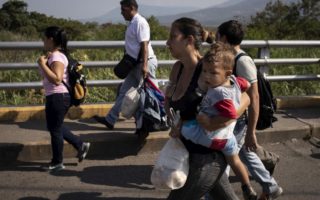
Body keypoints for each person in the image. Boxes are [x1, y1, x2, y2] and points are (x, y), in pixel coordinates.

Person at [164, 17, 250, 200]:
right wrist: (174, 122)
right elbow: (171, 101)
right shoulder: (177, 69)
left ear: (189, 40)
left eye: (172, 37)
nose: (167, 42)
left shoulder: (209, 69)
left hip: (208, 159)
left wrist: (219, 121)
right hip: (188, 154)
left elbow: (245, 98)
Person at [180, 42, 257, 200]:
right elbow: (247, 84)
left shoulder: (219, 93)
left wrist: (209, 121)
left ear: (227, 73)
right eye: (205, 71)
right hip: (228, 138)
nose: (207, 76)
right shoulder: (235, 81)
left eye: (213, 73)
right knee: (235, 160)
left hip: (214, 137)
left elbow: (230, 115)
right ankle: (247, 186)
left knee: (184, 130)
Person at [216, 20, 283, 200]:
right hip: (233, 119)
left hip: (239, 122)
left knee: (222, 161)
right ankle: (271, 187)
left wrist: (251, 131)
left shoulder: (242, 61)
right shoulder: (230, 56)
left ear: (223, 37)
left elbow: (254, 97)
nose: (215, 39)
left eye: (216, 36)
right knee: (245, 155)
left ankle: (217, 195)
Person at [94, 0, 158, 137]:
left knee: (144, 96)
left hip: (143, 64)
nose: (121, 13)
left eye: (124, 10)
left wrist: (145, 66)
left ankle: (145, 126)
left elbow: (144, 46)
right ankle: (110, 120)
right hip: (134, 64)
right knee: (124, 92)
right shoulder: (132, 23)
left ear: (132, 8)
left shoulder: (140, 22)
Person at [37, 26, 90, 171]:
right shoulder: (55, 55)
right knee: (55, 126)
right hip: (56, 96)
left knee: (55, 129)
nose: (43, 40)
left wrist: (42, 64)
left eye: (44, 38)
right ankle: (80, 145)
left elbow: (57, 79)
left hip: (58, 96)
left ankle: (57, 162)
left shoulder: (56, 56)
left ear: (51, 39)